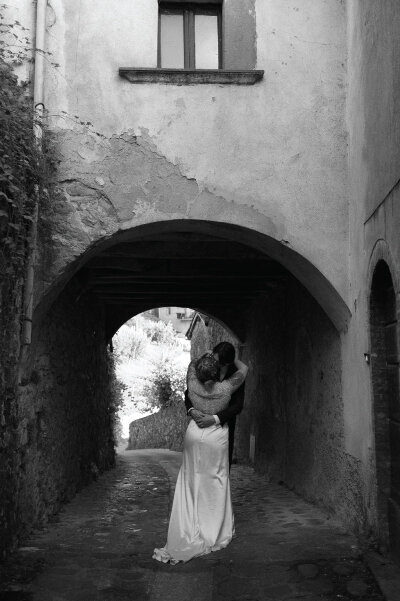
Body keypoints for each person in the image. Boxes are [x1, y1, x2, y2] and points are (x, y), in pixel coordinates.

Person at [153, 351, 248, 564]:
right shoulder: (225, 388)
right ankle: (213, 527)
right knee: (215, 480)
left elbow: (191, 364)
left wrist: (208, 355)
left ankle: (190, 521)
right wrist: (232, 358)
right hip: (215, 435)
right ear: (217, 373)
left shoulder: (192, 383)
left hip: (194, 432)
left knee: (190, 479)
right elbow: (244, 370)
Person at [185, 341, 245, 468]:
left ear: (228, 362)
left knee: (222, 468)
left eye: (220, 362)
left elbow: (238, 405)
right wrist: (191, 410)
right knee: (197, 466)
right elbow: (188, 393)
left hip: (224, 425)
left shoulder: (234, 374)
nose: (215, 363)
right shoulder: (206, 366)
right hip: (199, 425)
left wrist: (215, 419)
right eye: (214, 358)